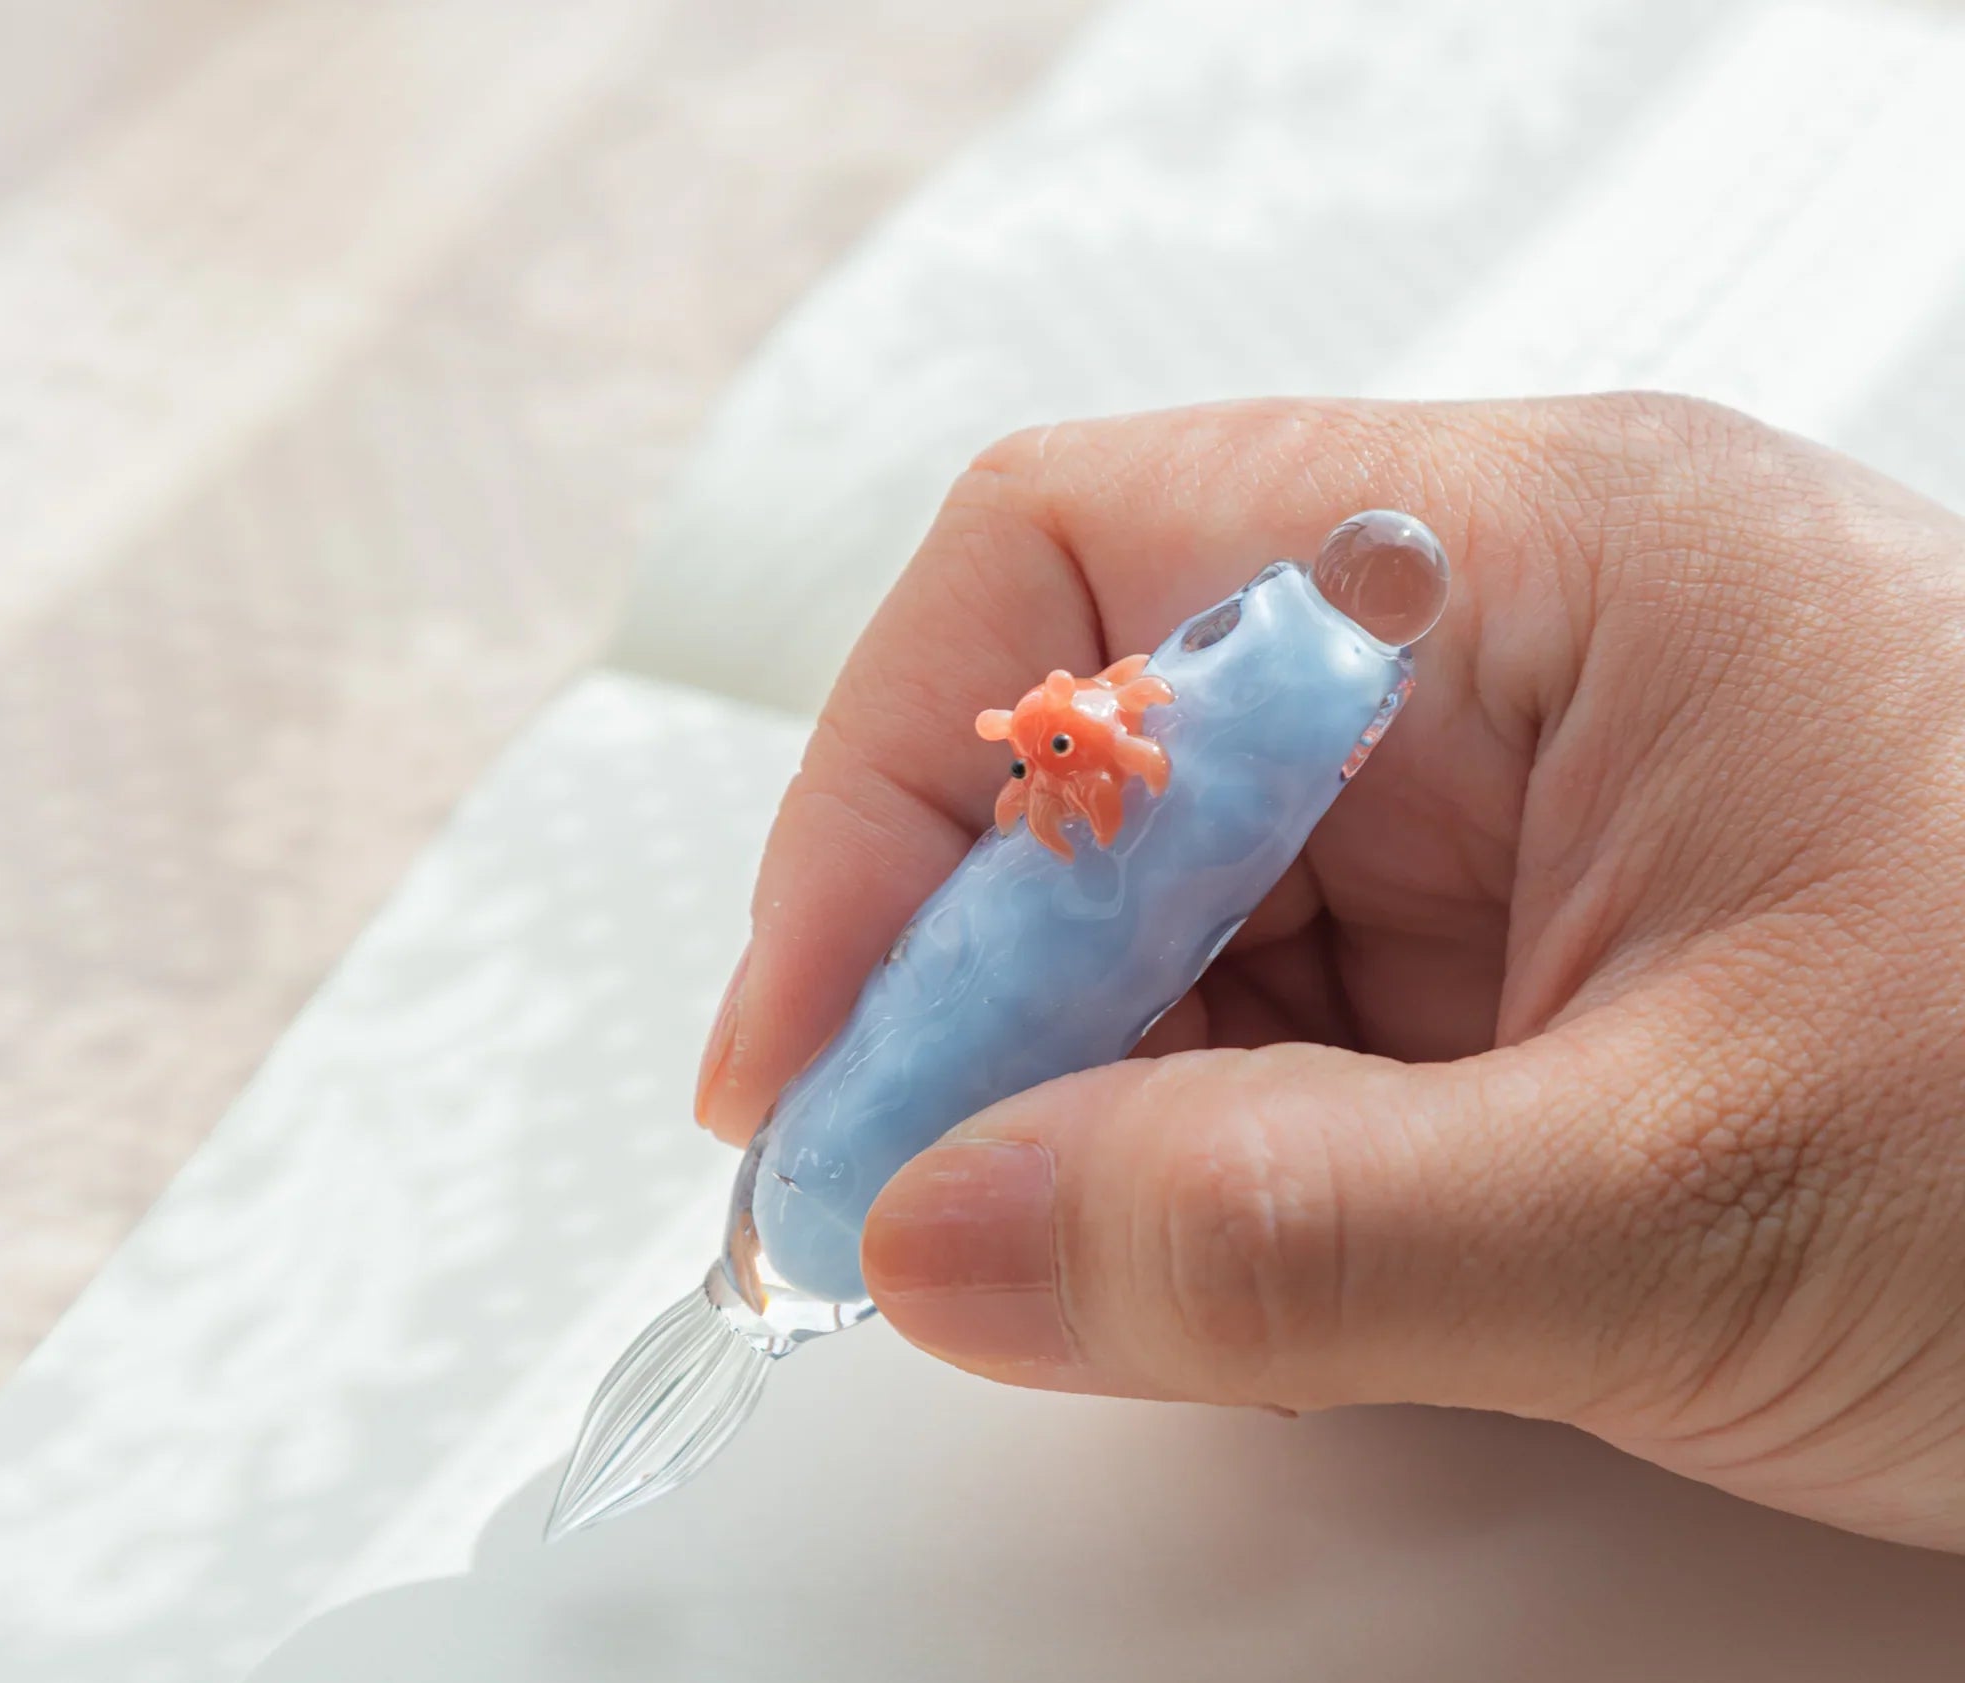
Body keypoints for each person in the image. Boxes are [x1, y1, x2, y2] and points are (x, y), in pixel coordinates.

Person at [692, 394, 1965, 1552]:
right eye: (1220, 629)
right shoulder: (1224, 701)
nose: (1221, 638)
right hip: (825, 1187)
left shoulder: (1306, 702)